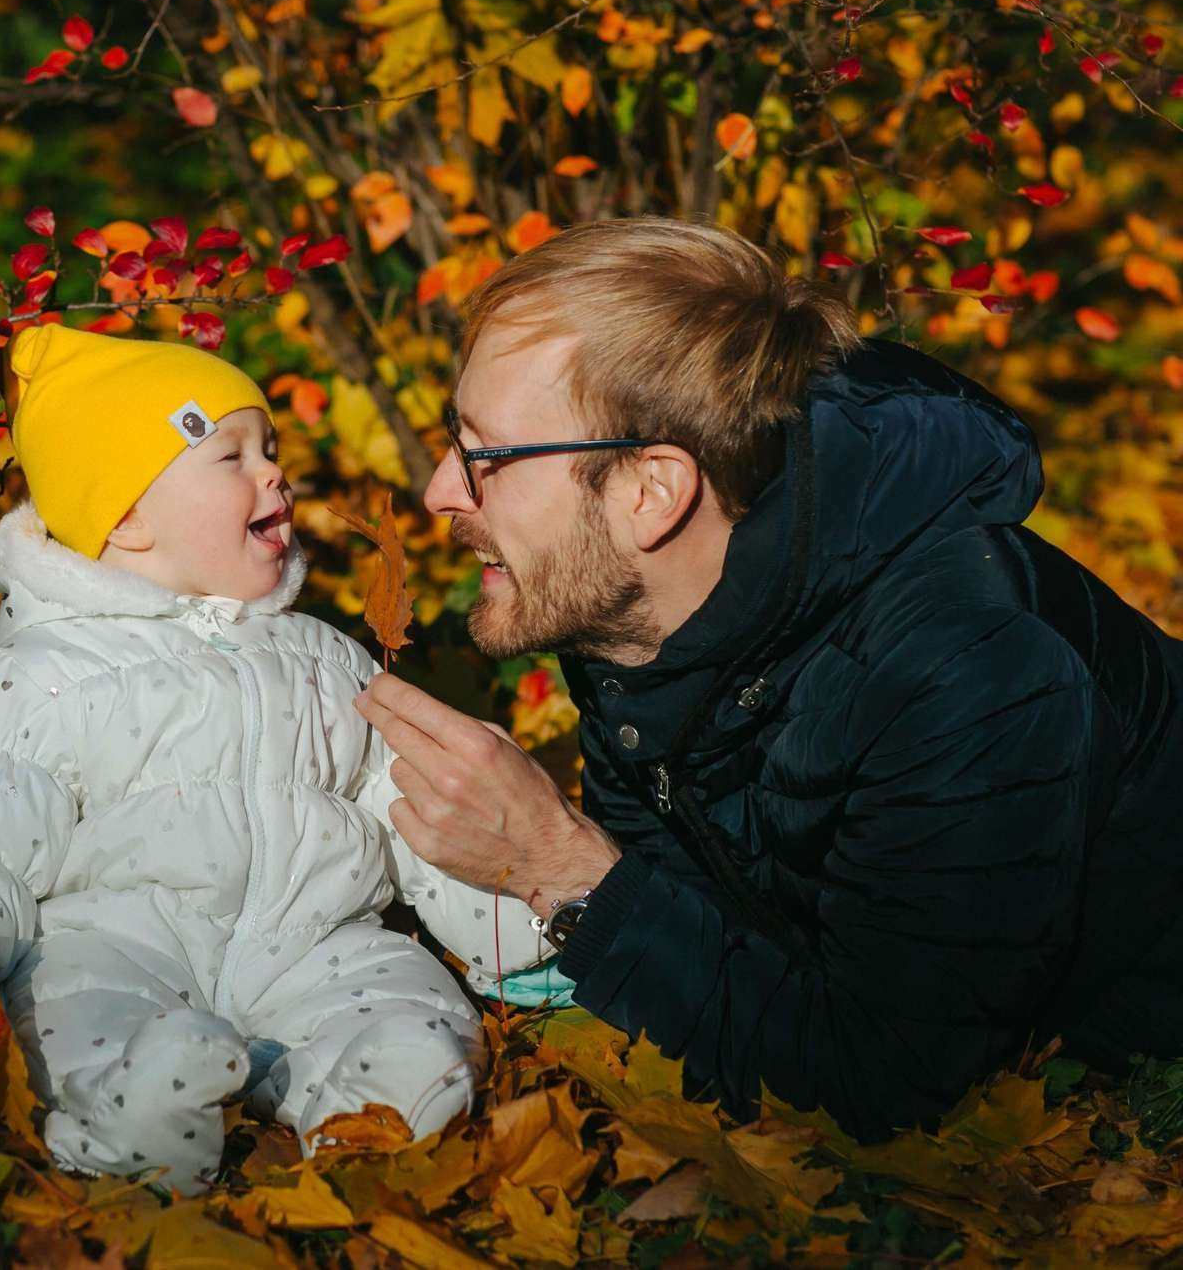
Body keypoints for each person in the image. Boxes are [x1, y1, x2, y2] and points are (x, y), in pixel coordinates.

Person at [355, 216, 1183, 1141]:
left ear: (652, 492)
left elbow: (892, 1090)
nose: (440, 491)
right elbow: (710, 942)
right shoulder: (641, 617)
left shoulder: (958, 668)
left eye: (487, 456)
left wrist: (561, 863)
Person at [0, 324, 549, 1191]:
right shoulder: (45, 677)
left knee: (404, 1006)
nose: (274, 473)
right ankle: (136, 1112)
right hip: (118, 937)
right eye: (232, 457)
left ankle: (373, 1107)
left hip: (313, 939)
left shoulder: (326, 657)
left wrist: (511, 924)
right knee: (70, 1013)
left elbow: (409, 800)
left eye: (272, 448)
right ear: (131, 519)